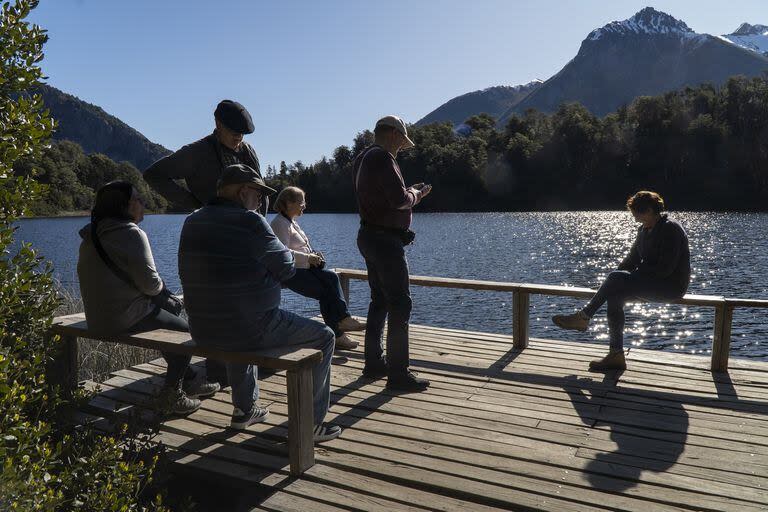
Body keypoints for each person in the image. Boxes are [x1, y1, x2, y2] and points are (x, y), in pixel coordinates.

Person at [178, 164, 341, 441]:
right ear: (243, 193)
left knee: (238, 321)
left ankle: (245, 410)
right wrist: (278, 260)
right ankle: (310, 425)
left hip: (203, 329)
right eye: (258, 195)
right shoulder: (250, 221)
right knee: (325, 336)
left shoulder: (193, 220)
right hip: (250, 327)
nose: (261, 201)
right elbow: (287, 268)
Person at [144, 99, 267, 385]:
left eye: (243, 133)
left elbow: (260, 188)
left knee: (246, 302)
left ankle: (245, 367)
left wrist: (261, 225)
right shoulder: (197, 152)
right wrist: (192, 203)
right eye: (234, 131)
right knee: (216, 303)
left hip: (245, 239)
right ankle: (219, 370)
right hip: (211, 239)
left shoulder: (246, 150)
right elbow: (153, 174)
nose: (239, 137)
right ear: (218, 125)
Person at [77, 181, 219, 415]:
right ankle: (172, 396)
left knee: (168, 316)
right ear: (124, 205)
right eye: (138, 199)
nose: (143, 203)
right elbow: (151, 286)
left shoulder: (91, 234)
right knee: (185, 333)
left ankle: (191, 377)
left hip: (98, 318)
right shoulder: (131, 233)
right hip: (123, 318)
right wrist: (164, 290)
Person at [552, 191, 691, 371]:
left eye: (637, 215)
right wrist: (611, 283)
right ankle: (616, 355)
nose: (635, 220)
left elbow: (665, 269)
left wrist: (621, 279)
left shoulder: (670, 229)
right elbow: (630, 261)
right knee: (615, 294)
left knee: (616, 281)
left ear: (649, 211)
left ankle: (583, 317)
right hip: (650, 283)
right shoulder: (643, 230)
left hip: (671, 286)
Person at [352, 115, 433, 392]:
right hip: (385, 242)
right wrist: (416, 194)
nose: (401, 148)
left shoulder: (363, 157)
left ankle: (374, 362)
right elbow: (399, 200)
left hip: (369, 236)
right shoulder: (383, 158)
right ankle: (398, 374)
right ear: (393, 135)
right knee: (400, 303)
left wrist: (407, 193)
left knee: (379, 301)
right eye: (401, 142)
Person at [271, 186, 367, 351]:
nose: (305, 205)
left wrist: (314, 254)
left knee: (329, 283)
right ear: (288, 203)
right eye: (301, 202)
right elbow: (283, 252)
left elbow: (299, 248)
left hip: (305, 269)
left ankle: (338, 334)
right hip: (291, 273)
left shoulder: (291, 222)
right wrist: (308, 257)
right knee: (328, 286)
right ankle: (342, 324)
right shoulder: (279, 223)